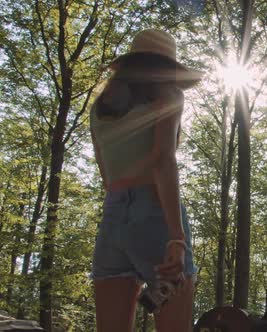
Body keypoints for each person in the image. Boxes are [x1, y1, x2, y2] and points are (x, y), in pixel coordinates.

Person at [90, 29, 203, 332]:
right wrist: (176, 237)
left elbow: (107, 175)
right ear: (166, 67)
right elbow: (162, 160)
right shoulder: (168, 95)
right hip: (156, 214)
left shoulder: (98, 110)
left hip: (113, 220)